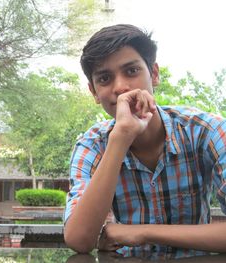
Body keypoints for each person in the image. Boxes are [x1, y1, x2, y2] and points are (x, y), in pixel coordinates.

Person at [63, 24, 226, 256]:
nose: (120, 87)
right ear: (94, 92)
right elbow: (79, 240)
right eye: (105, 78)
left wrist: (142, 231)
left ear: (155, 74)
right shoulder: (91, 146)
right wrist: (120, 138)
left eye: (131, 71)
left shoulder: (207, 132)